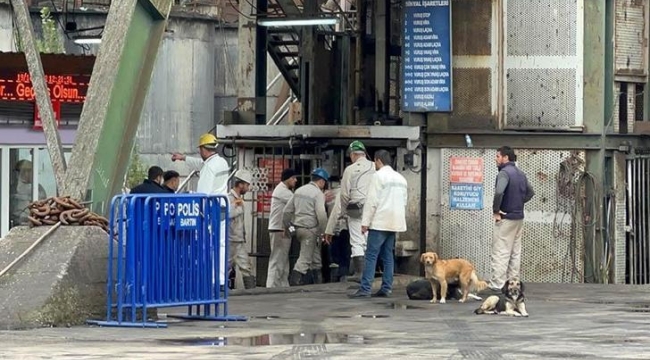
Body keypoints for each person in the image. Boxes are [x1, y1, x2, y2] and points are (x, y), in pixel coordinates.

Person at [171, 133, 231, 286]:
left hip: (211, 209)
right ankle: (221, 280)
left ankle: (210, 280)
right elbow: (201, 164)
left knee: (208, 245)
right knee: (221, 244)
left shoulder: (209, 168)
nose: (200, 153)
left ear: (204, 149)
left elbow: (203, 193)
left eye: (200, 150)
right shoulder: (221, 162)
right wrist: (183, 158)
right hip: (223, 207)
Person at [349, 150, 407, 298]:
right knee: (388, 256)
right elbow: (404, 202)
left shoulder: (378, 176)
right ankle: (386, 288)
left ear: (378, 161)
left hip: (380, 222)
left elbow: (372, 201)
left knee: (371, 255)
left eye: (375, 162)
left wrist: (365, 222)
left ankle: (365, 288)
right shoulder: (401, 178)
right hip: (395, 222)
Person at [479, 146, 535, 296]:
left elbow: (499, 192)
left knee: (501, 251)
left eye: (497, 156)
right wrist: (518, 202)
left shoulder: (504, 173)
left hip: (506, 217)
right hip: (518, 217)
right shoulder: (520, 173)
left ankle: (497, 284)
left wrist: (496, 210)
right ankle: (513, 281)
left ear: (505, 158)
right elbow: (530, 192)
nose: (495, 159)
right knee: (515, 252)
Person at [334, 140, 375, 282]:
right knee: (369, 240)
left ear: (352, 155)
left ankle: (360, 273)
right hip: (374, 209)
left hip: (356, 210)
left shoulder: (350, 169)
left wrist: (344, 212)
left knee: (357, 241)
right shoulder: (375, 167)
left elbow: (344, 195)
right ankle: (370, 272)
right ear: (364, 153)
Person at [283, 168, 329, 286]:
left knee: (315, 258)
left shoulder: (299, 190)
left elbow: (286, 211)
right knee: (305, 259)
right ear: (322, 181)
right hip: (310, 230)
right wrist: (325, 232)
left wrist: (289, 228)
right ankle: (294, 282)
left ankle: (318, 284)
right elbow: (322, 215)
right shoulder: (318, 194)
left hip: (298, 229)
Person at [266, 168, 298, 288]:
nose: (296, 180)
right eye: (294, 178)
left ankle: (283, 285)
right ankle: (271, 287)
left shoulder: (282, 190)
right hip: (279, 229)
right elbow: (297, 202)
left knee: (283, 260)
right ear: (288, 179)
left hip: (281, 228)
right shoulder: (283, 192)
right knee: (277, 259)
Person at [228, 169, 256, 289]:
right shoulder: (229, 198)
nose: (248, 188)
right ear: (240, 184)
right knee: (225, 267)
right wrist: (238, 207)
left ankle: (252, 293)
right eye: (247, 185)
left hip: (238, 240)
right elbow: (227, 214)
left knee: (246, 266)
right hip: (230, 240)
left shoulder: (238, 199)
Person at [324, 180, 351, 282]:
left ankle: (335, 276)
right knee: (345, 253)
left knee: (335, 255)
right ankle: (343, 275)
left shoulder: (329, 193)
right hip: (344, 227)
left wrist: (328, 230)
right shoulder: (346, 192)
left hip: (333, 229)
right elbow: (337, 211)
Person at [10, 160, 46, 227]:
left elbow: (43, 205)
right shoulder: (12, 188)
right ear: (17, 172)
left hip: (34, 223)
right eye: (23, 171)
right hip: (15, 223)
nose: (26, 174)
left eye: (29, 171)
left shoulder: (38, 188)